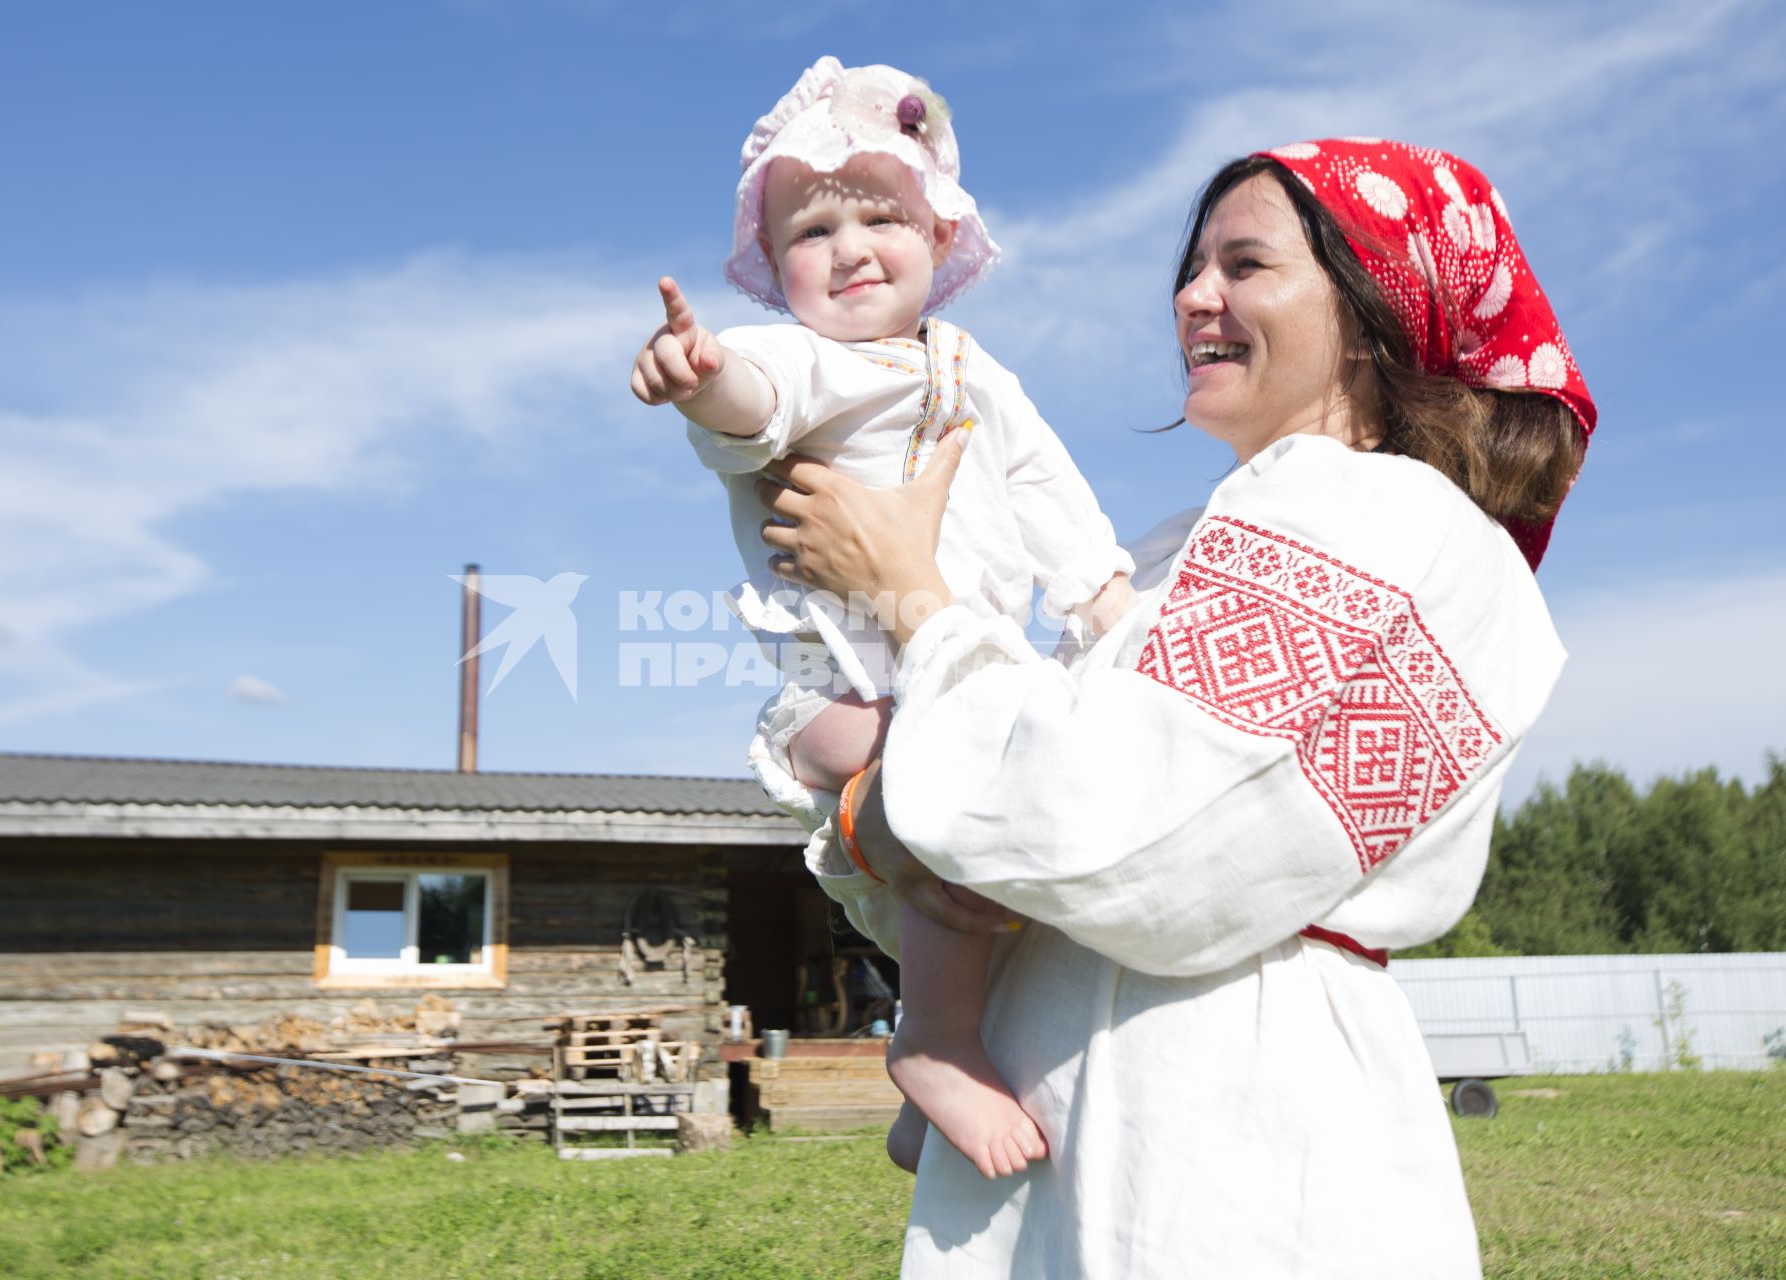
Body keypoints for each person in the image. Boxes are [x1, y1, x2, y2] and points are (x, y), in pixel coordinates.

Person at [754, 137, 1596, 1276]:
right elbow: (983, 847)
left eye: (1245, 263)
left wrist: (913, 595)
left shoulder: (1403, 523)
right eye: (1192, 266)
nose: (1193, 295)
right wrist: (882, 792)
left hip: (1220, 1130)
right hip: (1070, 1111)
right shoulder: (1165, 558)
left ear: (1369, 313)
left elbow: (1121, 842)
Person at [629, 56, 1136, 1180]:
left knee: (1011, 851)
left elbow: (1049, 488)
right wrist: (701, 371)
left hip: (961, 663)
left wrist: (1098, 593)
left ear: (941, 235)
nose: (850, 245)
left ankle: (947, 1064)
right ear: (777, 269)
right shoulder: (808, 359)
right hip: (854, 689)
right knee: (962, 807)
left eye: (881, 215)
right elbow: (751, 409)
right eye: (813, 230)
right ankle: (936, 1042)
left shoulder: (977, 373)